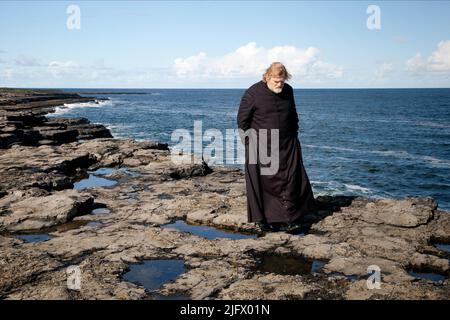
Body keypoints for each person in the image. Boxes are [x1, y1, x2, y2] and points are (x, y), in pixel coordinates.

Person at [237, 62, 316, 232]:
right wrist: (250, 144)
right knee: (266, 182)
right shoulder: (253, 93)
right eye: (276, 81)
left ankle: (290, 217)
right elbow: (242, 121)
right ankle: (265, 219)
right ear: (267, 77)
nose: (280, 84)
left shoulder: (288, 91)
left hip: (287, 143)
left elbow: (293, 114)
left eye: (282, 81)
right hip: (262, 144)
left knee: (290, 179)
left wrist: (294, 134)